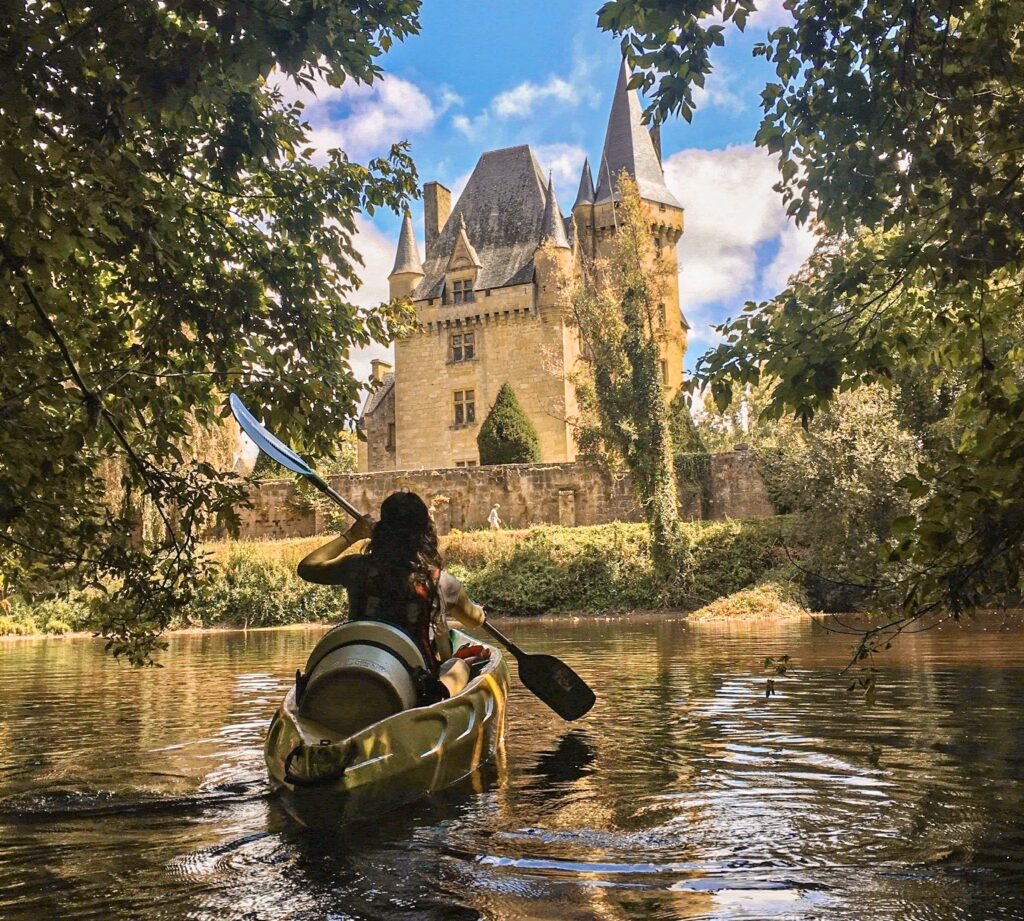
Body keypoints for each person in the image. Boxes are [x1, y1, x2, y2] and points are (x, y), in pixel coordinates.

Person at [297, 491, 489, 700]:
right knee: (459, 664)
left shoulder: (355, 568)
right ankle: (440, 695)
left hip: (358, 665)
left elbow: (307, 567)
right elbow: (473, 621)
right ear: (425, 533)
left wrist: (351, 535)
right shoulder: (441, 582)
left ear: (381, 530)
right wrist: (480, 612)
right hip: (416, 686)